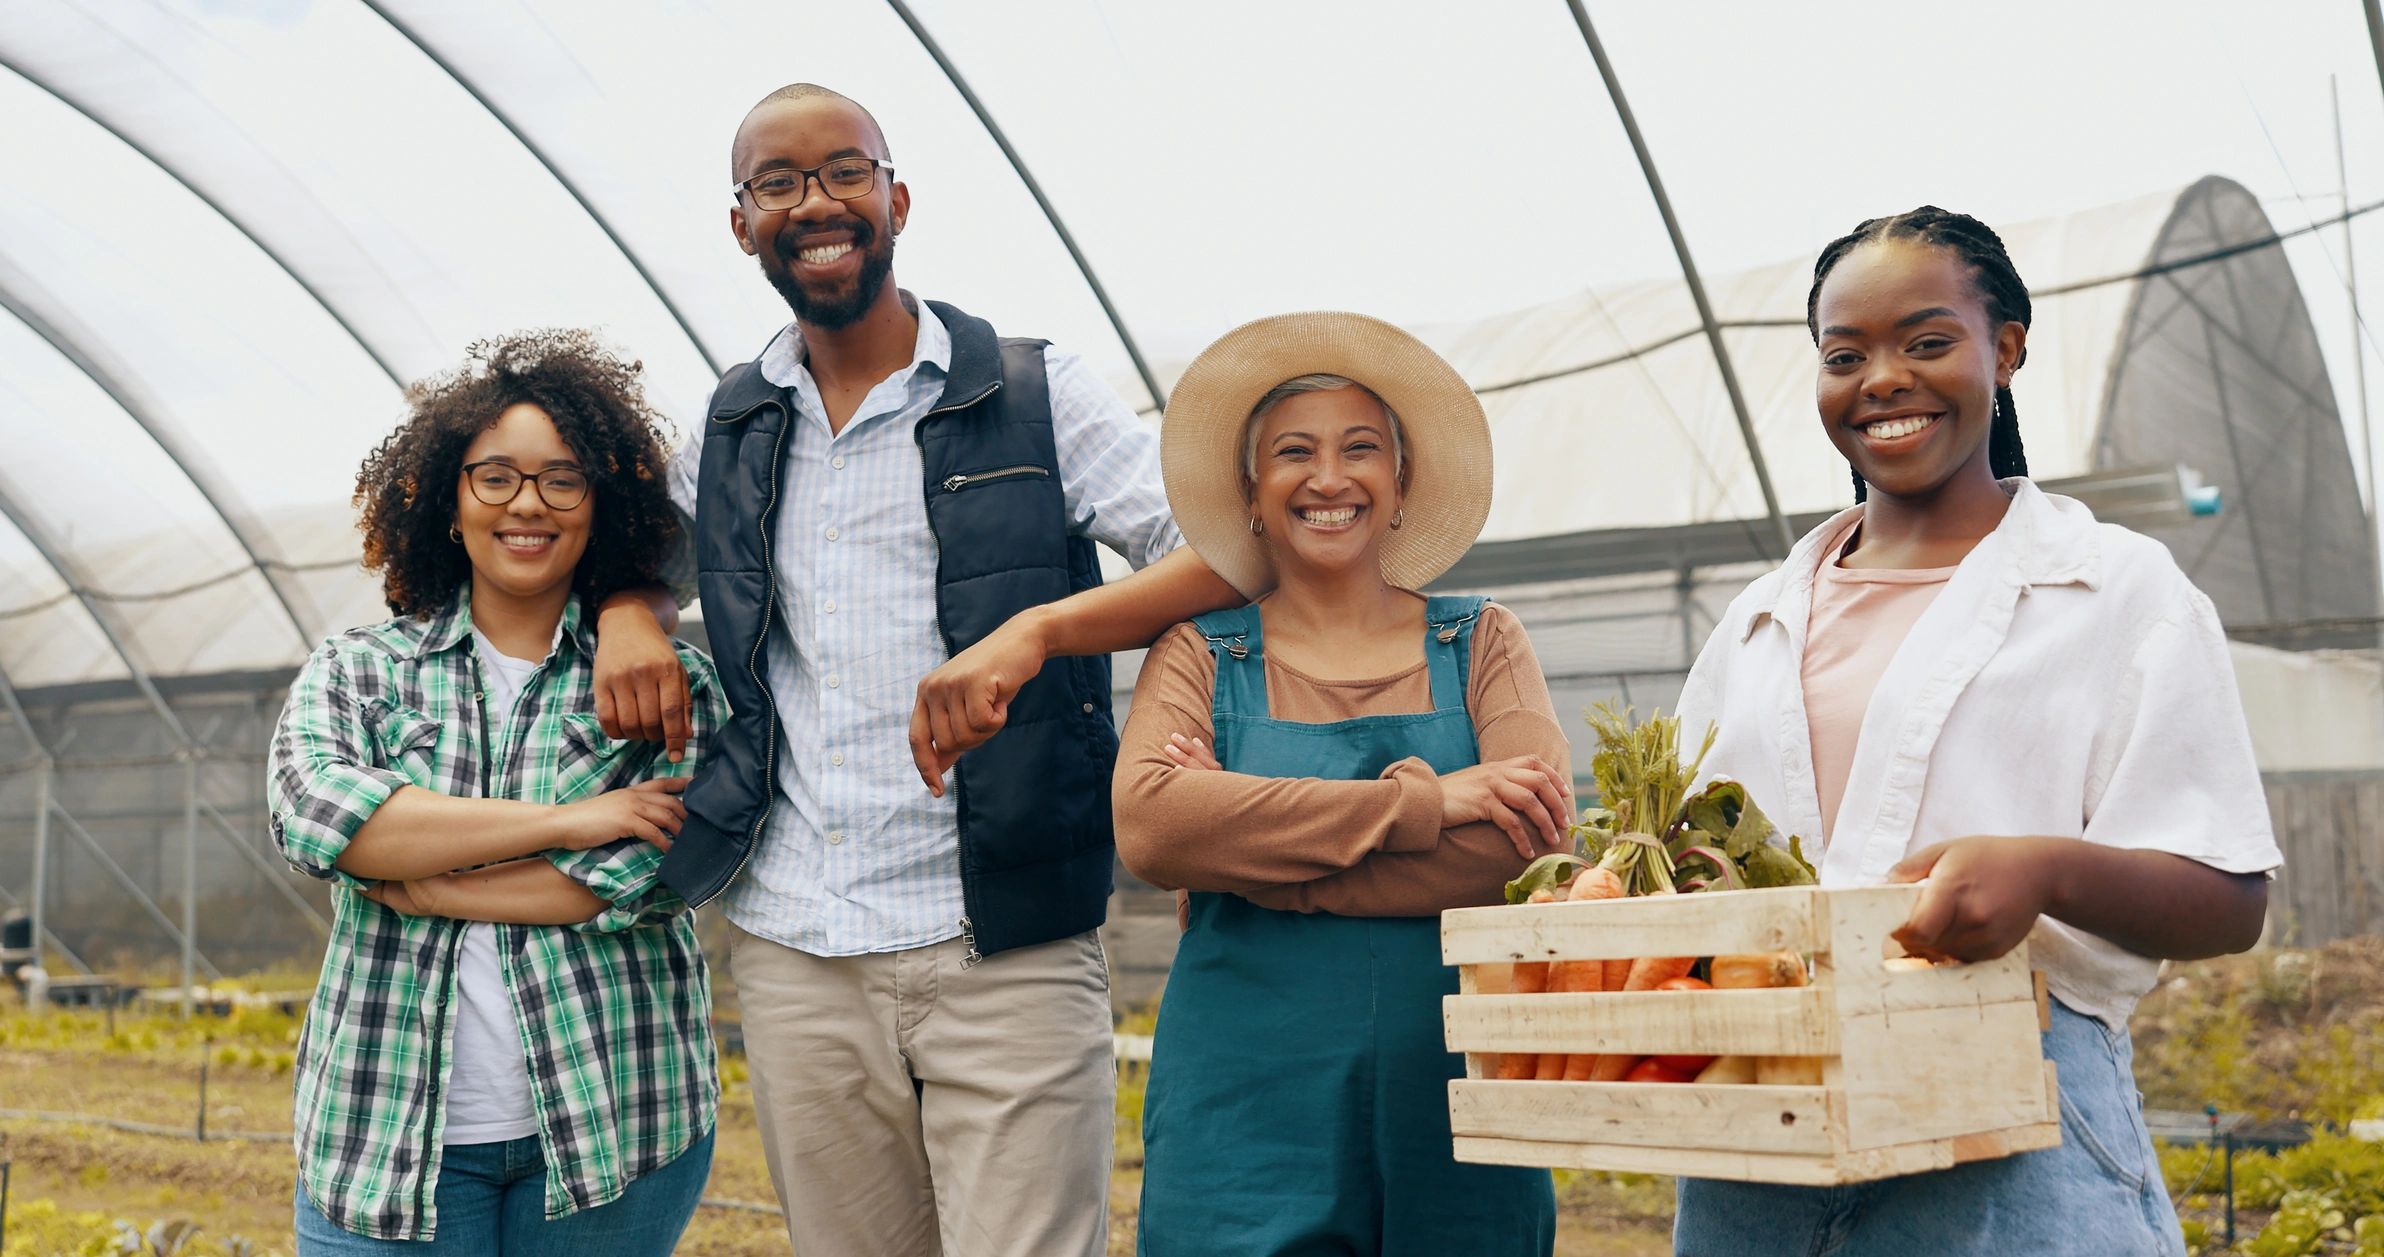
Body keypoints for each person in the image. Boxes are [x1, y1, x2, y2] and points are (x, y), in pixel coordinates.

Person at [586, 83, 1238, 1256]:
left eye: (843, 170)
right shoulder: (733, 425)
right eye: (775, 183)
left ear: (895, 197)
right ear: (741, 224)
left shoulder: (1032, 392)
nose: (814, 202)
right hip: (798, 948)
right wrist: (633, 616)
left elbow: (1217, 560)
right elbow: (637, 565)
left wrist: (1040, 630)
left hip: (1005, 940)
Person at [1669, 209, 2278, 1256]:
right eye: (1843, 354)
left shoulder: (2113, 591)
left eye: (1925, 341)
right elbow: (1689, 868)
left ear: (2002, 350)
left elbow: (2228, 901)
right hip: (1751, 1136)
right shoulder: (1758, 621)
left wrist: (2042, 872)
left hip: (2014, 1127)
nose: (1881, 379)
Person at [1113, 313, 1569, 1256]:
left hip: (1461, 1085)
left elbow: (1526, 849)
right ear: (1251, 491)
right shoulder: (1198, 650)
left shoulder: (1483, 640)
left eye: (1361, 449)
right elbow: (1155, 828)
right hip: (1243, 1102)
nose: (1328, 478)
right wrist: (1426, 802)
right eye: (1294, 453)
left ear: (1400, 485)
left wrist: (1249, 859)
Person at [266, 330, 727, 1254]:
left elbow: (644, 876)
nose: (529, 504)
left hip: (617, 1124)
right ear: (450, 502)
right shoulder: (360, 670)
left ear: (603, 509)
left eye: (564, 479)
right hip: (385, 1135)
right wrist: (572, 820)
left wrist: (434, 881)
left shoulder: (665, 685)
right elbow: (328, 819)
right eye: (496, 477)